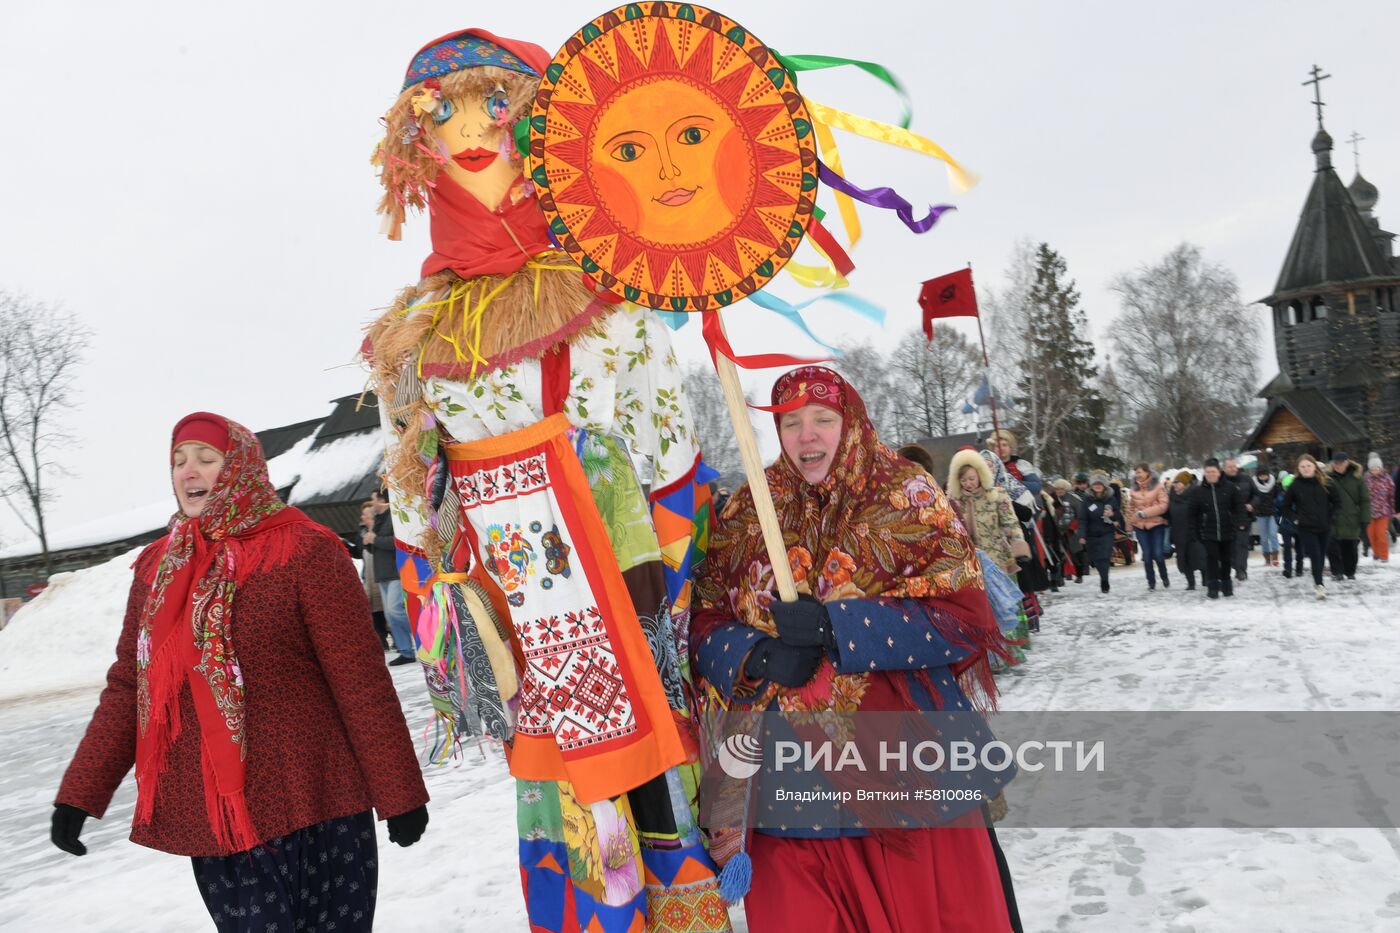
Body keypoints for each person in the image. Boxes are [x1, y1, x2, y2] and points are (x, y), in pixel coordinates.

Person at [51, 413, 429, 932]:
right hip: (219, 825)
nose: (189, 471)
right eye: (179, 461)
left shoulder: (303, 549)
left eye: (207, 459)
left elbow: (359, 680)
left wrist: (400, 794)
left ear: (242, 469)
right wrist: (81, 792)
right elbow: (129, 686)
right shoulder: (157, 570)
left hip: (318, 800)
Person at [692, 366, 1018, 933]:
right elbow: (702, 621)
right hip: (782, 787)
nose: (806, 436)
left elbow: (966, 617)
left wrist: (836, 627)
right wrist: (756, 654)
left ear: (853, 423)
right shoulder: (750, 510)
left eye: (822, 419)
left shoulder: (905, 493)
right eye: (790, 422)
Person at [946, 448, 1031, 575]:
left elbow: (1010, 523)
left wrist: (1019, 546)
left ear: (980, 475)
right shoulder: (954, 502)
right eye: (963, 480)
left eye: (971, 478)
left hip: (997, 559)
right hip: (969, 564)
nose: (968, 484)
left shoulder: (997, 495)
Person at [366, 488, 415, 666]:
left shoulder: (394, 517)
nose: (373, 505)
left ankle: (424, 638)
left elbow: (397, 542)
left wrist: (375, 540)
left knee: (396, 610)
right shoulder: (378, 520)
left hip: (395, 571)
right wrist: (370, 540)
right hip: (382, 573)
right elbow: (373, 546)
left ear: (383, 500)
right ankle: (406, 651)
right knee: (391, 615)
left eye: (374, 500)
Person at [1280, 454, 1338, 599]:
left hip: (1325, 526)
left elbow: (1338, 502)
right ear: (1298, 469)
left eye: (1308, 466)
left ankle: (1318, 580)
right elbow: (1285, 507)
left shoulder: (1326, 482)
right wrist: (1296, 519)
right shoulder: (1295, 485)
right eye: (1302, 467)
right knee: (1315, 555)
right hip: (1305, 527)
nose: (1306, 469)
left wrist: (1332, 517)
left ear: (1314, 466)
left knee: (1321, 555)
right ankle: (1319, 585)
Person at [1191, 458, 1245, 599]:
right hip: (1207, 531)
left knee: (1227, 559)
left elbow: (1239, 506)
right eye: (1208, 472)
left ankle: (1226, 585)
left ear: (1219, 472)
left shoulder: (1230, 488)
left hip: (1227, 529)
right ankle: (1213, 586)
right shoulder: (1199, 491)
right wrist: (1196, 532)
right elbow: (1192, 513)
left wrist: (1240, 521)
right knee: (1212, 557)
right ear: (1204, 473)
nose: (1210, 474)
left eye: (1213, 471)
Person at [1126, 462, 1171, 590]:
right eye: (1136, 473)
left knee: (1157, 554)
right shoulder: (1134, 490)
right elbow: (1131, 508)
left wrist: (1144, 513)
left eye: (1140, 472)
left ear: (1147, 473)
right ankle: (1151, 582)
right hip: (1140, 527)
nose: (1137, 475)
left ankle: (1164, 576)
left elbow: (1163, 506)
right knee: (1146, 556)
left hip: (1156, 524)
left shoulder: (1158, 486)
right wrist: (1129, 524)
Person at [1325, 453, 1369, 581]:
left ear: (1347, 463)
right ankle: (1337, 572)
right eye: (1336, 463)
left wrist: (1365, 519)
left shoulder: (1357, 477)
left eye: (1341, 463)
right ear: (1333, 464)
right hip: (1333, 517)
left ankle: (1350, 571)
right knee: (1332, 547)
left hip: (1352, 518)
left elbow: (1365, 500)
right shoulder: (1327, 478)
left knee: (1350, 547)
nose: (1339, 466)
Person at [357, 501, 392, 649]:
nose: (362, 518)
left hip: (385, 572)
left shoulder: (381, 527)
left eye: (365, 515)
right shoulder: (363, 532)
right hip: (372, 574)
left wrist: (374, 539)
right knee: (377, 608)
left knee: (389, 609)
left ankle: (394, 636)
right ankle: (382, 637)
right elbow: (362, 551)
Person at [1077, 471, 1118, 593]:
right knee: (1096, 560)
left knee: (1105, 557)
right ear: (1092, 486)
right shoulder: (1087, 499)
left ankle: (1104, 581)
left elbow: (1118, 515)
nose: (1097, 486)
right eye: (1095, 484)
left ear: (1104, 485)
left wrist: (1112, 514)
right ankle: (1103, 576)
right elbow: (1083, 518)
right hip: (1091, 534)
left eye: (1100, 484)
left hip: (1107, 532)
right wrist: (1082, 535)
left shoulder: (1111, 498)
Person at [1167, 471, 1206, 590]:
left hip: (1194, 532)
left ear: (1185, 483)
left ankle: (1205, 578)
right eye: (1174, 482)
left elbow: (1201, 512)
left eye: (1177, 482)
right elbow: (1168, 513)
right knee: (1184, 559)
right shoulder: (1172, 496)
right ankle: (1191, 583)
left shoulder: (1195, 493)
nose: (1175, 485)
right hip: (1178, 533)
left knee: (1200, 557)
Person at [1220, 457, 1252, 581]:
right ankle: (1235, 566)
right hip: (1227, 518)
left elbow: (1257, 495)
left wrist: (1252, 504)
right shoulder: (1220, 481)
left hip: (1244, 517)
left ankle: (1241, 570)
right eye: (1229, 467)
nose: (1233, 469)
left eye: (1234, 466)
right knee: (1231, 546)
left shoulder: (1246, 478)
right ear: (1224, 468)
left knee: (1242, 545)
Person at [1364, 453, 1396, 562]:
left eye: (1376, 468)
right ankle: (1376, 553)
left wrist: (1393, 509)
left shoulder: (1387, 479)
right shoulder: (1366, 479)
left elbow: (1392, 495)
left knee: (1381, 535)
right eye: (1372, 468)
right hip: (1369, 512)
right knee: (1371, 535)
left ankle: (1384, 556)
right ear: (1369, 469)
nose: (1374, 470)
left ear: (1380, 468)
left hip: (1383, 511)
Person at [1054, 478, 1085, 583]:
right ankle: (1061, 577)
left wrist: (1074, 527)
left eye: (1061, 489)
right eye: (1057, 489)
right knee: (1061, 554)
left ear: (1066, 489)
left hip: (1072, 531)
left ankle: (1079, 574)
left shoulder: (1073, 499)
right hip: (1058, 530)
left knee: (1076, 553)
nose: (1059, 491)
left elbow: (1080, 513)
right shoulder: (1054, 500)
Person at [1247, 467, 1280, 567]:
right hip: (1260, 514)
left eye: (1264, 475)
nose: (1263, 477)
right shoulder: (1254, 485)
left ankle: (1275, 557)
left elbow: (1279, 497)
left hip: (1272, 513)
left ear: (1268, 475)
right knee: (1264, 538)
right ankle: (1267, 558)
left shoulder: (1274, 484)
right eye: (1260, 476)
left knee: (1273, 534)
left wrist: (1276, 505)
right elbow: (1251, 497)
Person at [1275, 473, 1304, 579]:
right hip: (1286, 525)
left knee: (1300, 548)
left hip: (1299, 525)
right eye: (1287, 487)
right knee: (1287, 548)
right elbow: (1276, 511)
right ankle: (1288, 569)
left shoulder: (1301, 496)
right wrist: (1280, 521)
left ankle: (1299, 569)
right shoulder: (1281, 497)